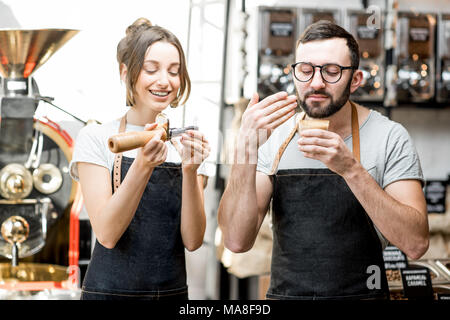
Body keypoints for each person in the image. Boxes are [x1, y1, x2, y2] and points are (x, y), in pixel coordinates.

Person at [218, 20, 429, 300]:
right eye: (305, 71)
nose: (316, 83)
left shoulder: (389, 137)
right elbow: (236, 240)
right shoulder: (274, 136)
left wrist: (351, 169)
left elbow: (415, 244)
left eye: (331, 72)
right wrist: (245, 150)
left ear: (356, 80)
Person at [69, 18, 211, 300]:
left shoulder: (188, 144)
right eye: (151, 69)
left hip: (171, 294)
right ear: (126, 72)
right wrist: (143, 167)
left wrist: (191, 171)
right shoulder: (97, 137)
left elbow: (193, 241)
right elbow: (107, 234)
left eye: (174, 71)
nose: (164, 81)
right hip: (109, 294)